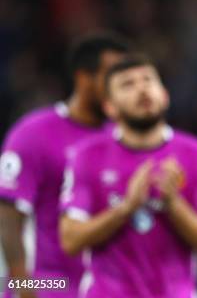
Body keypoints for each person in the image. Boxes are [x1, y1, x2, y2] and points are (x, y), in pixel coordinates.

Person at [59, 55, 197, 298]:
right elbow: (70, 240)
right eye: (127, 84)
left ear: (165, 95)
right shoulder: (87, 156)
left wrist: (173, 203)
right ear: (110, 106)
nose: (141, 89)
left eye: (148, 80)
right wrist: (126, 208)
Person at [0, 35, 129, 298]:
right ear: (83, 77)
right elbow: (8, 216)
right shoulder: (33, 133)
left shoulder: (121, 138)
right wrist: (24, 289)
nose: (119, 88)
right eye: (111, 77)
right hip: (50, 285)